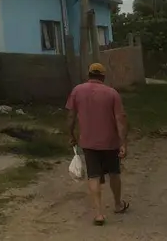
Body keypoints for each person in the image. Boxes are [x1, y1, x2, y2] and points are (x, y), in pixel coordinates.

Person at [66, 62, 130, 226]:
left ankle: (99, 214)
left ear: (88, 75)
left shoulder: (77, 91)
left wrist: (71, 134)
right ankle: (117, 204)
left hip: (88, 142)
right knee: (114, 172)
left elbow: (71, 116)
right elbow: (120, 119)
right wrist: (123, 142)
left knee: (93, 175)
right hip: (110, 142)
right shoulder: (112, 93)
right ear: (103, 76)